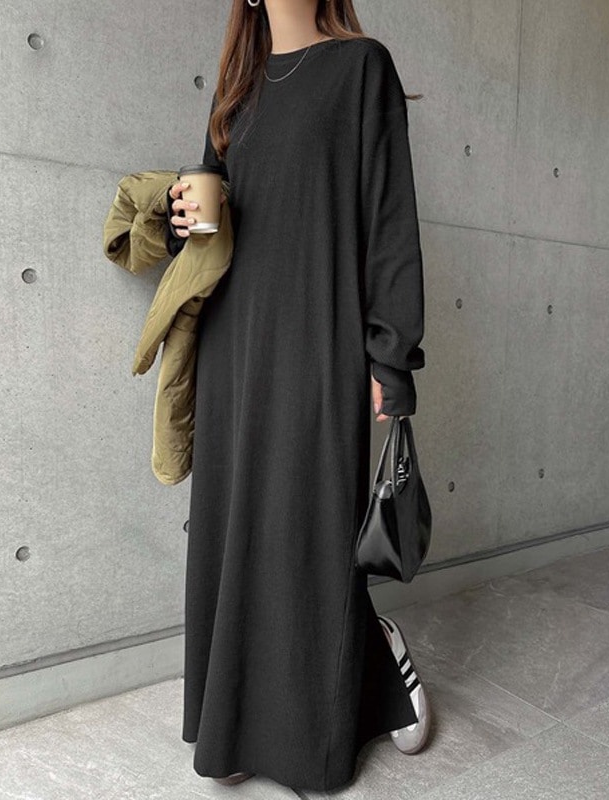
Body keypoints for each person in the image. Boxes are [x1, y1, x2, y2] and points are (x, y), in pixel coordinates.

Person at [164, 0, 428, 791]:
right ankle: (238, 727)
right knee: (238, 529)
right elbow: (210, 232)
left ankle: (341, 700)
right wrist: (181, 218)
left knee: (308, 527)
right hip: (233, 345)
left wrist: (391, 358)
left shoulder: (361, 67)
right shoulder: (234, 95)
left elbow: (389, 219)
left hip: (319, 337)